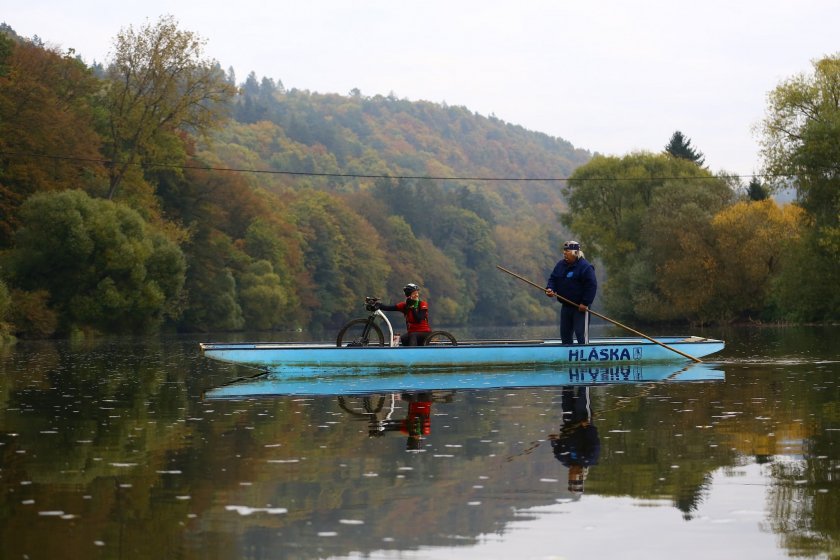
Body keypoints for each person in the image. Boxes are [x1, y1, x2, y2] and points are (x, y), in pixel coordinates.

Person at [549, 386, 600, 494]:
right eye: (573, 473)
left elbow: (556, 446)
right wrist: (588, 426)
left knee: (566, 394)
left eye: (570, 474)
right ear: (581, 475)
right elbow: (594, 443)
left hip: (568, 422)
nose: (571, 470)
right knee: (582, 394)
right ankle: (584, 375)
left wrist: (554, 440)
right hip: (583, 421)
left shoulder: (562, 458)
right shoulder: (590, 459)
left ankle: (567, 378)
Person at [545, 240, 597, 344]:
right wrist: (550, 289)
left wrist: (585, 303)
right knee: (565, 335)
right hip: (566, 306)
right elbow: (553, 279)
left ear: (575, 253)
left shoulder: (585, 267)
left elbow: (591, 286)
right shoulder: (560, 265)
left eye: (567, 251)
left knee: (580, 334)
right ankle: (568, 357)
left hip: (580, 308)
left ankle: (584, 356)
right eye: (564, 251)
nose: (564, 254)